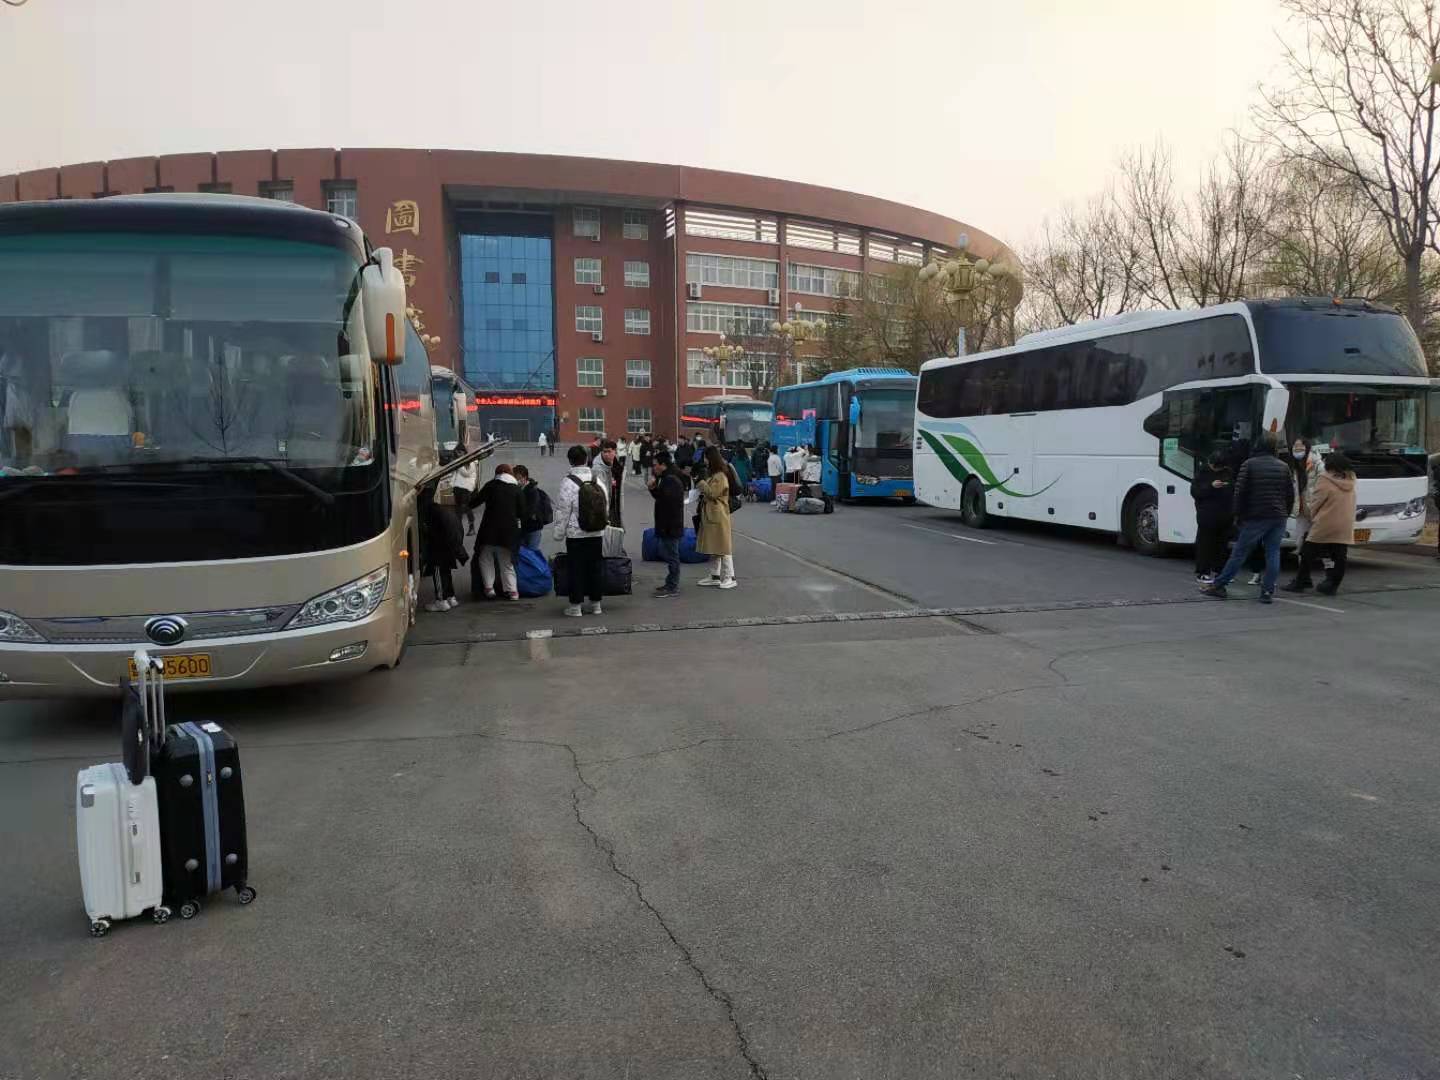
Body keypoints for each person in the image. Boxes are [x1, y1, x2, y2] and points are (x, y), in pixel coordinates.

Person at [1200, 433, 1295, 603]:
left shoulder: (1249, 464)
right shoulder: (1283, 466)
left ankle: (1219, 585)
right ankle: (1267, 592)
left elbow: (1240, 492)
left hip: (1256, 516)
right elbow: (1290, 494)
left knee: (1239, 552)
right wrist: (1285, 512)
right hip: (1278, 516)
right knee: (1273, 553)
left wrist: (1237, 515)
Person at [1284, 452, 1357, 595]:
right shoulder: (1351, 480)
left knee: (1308, 551)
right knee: (1340, 555)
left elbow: (1316, 502)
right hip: (1345, 522)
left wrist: (1313, 516)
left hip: (1325, 522)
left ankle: (1301, 582)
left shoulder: (1325, 479)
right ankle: (1332, 585)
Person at [553, 444, 609, 616]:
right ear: (586, 459)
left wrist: (559, 533)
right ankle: (596, 605)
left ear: (570, 461)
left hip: (576, 534)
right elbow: (605, 504)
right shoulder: (597, 479)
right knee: (595, 568)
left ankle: (575, 606)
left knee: (576, 569)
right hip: (596, 532)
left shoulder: (568, 482)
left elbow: (563, 510)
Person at [473, 463, 523, 600]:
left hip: (489, 530)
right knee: (506, 562)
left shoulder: (490, 486)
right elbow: (522, 511)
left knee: (485, 557)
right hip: (508, 532)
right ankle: (512, 591)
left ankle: (489, 588)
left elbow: (474, 502)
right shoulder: (516, 489)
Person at [696, 445, 738, 589]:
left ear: (711, 458)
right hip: (712, 514)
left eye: (705, 458)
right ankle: (715, 575)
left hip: (718, 515)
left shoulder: (720, 476)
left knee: (723, 547)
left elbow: (713, 493)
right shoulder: (715, 474)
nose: (704, 461)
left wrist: (701, 483)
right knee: (715, 546)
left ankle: (730, 576)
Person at [648, 449, 687, 598]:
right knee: (669, 553)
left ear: (663, 464)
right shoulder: (667, 477)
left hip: (670, 524)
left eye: (655, 465)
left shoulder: (670, 479)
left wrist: (655, 489)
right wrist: (653, 489)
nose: (654, 468)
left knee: (672, 555)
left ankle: (672, 586)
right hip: (669, 524)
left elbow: (667, 502)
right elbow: (661, 497)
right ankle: (670, 582)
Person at [1190, 451, 1234, 583]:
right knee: (1205, 544)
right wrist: (1211, 486)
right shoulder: (1202, 472)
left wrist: (1227, 486)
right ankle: (1203, 572)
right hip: (1207, 515)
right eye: (1216, 467)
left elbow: (1233, 488)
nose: (1217, 470)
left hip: (1225, 514)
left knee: (1222, 545)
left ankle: (1220, 570)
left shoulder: (1228, 472)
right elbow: (1195, 492)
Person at [420, 487, 466, 612]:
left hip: (439, 548)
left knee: (438, 573)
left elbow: (430, 531)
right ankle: (451, 597)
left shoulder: (429, 511)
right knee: (446, 572)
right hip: (450, 546)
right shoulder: (443, 509)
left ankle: (441, 601)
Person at [513, 464, 551, 551]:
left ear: (525, 477)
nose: (517, 481)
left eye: (519, 478)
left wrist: (518, 520)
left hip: (533, 528)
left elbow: (530, 510)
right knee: (521, 553)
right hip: (522, 528)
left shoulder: (532, 490)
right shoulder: (516, 489)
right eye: (515, 478)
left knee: (531, 553)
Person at [599, 439, 625, 528]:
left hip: (617, 504)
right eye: (604, 452)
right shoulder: (599, 468)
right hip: (605, 506)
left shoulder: (619, 468)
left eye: (609, 451)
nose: (606, 454)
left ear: (615, 451)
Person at [452, 452, 478, 536]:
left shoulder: (472, 464)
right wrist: (452, 484)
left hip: (466, 489)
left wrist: (459, 465)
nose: (459, 455)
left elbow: (466, 473)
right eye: (458, 454)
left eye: (461, 454)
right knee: (458, 508)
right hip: (457, 487)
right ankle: (458, 528)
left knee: (465, 507)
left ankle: (471, 527)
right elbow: (455, 474)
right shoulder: (460, 464)